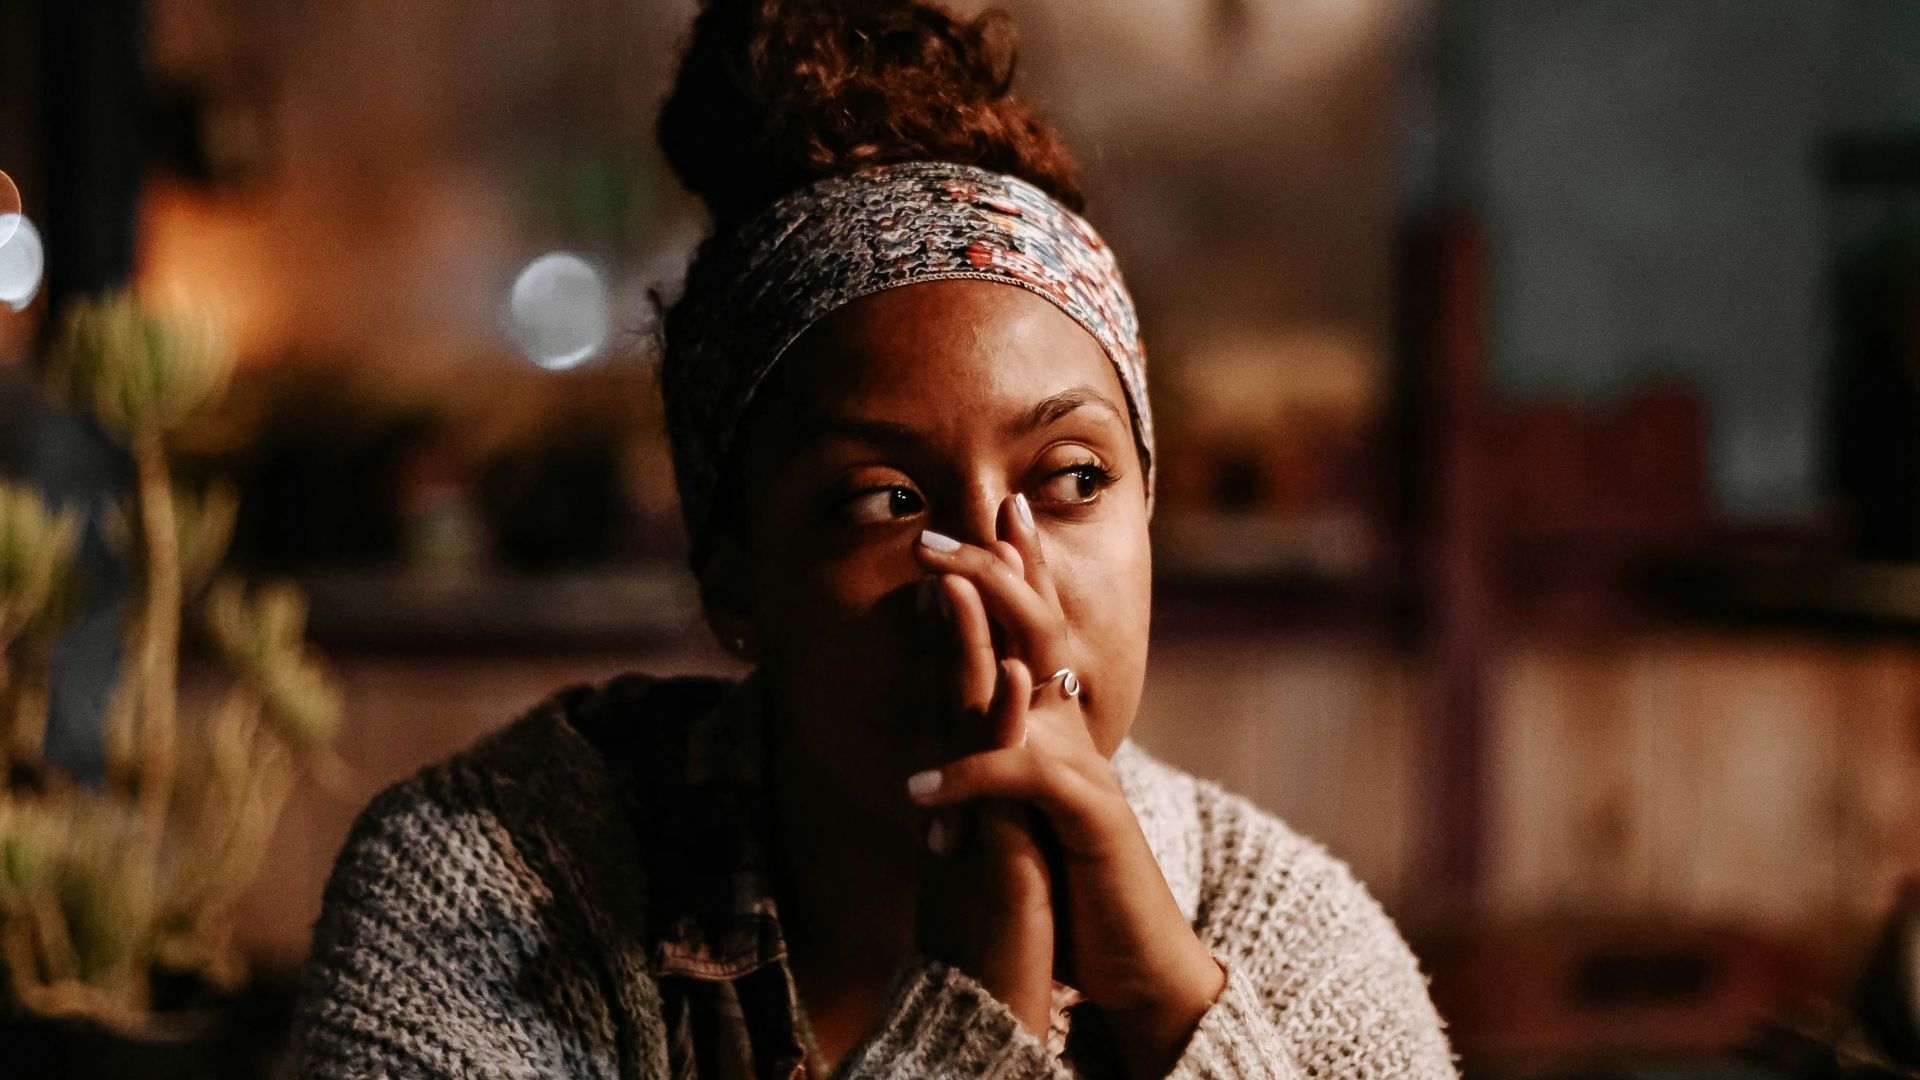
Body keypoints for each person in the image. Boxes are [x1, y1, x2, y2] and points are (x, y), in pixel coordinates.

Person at [287, 1, 1459, 1076]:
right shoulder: (492, 888)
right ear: (735, 567)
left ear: (1147, 508)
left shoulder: (1281, 936)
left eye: (1072, 479)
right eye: (889, 502)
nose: (1002, 579)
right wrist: (975, 1003)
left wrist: (1169, 1008)